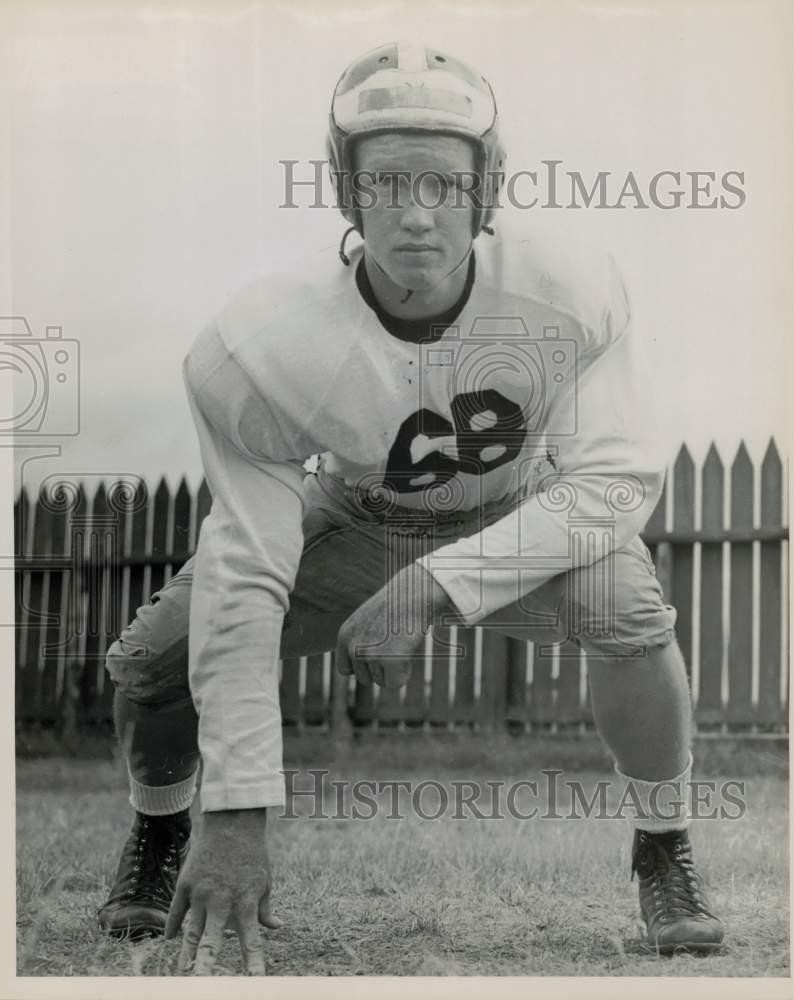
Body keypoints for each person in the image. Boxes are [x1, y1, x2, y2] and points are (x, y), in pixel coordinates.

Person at [97, 41, 725, 973]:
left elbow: (612, 484)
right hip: (350, 517)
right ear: (344, 192)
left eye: (442, 185)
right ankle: (163, 828)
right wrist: (237, 807)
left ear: (489, 189)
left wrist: (436, 583)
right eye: (385, 183)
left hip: (515, 511)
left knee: (628, 611)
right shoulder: (263, 341)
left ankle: (664, 842)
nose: (415, 216)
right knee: (156, 659)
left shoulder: (571, 288)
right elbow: (245, 569)